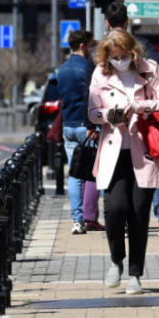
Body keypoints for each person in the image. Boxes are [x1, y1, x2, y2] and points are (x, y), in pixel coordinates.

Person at [88, 30, 159, 295]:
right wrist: (108, 114)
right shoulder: (100, 73)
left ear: (132, 52)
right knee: (114, 209)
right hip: (113, 151)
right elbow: (92, 112)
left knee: (138, 213)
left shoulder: (150, 69)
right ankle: (116, 260)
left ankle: (135, 274)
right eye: (114, 57)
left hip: (143, 149)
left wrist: (140, 107)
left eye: (123, 56)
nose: (119, 60)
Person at [103, 2, 159, 237]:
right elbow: (158, 66)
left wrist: (93, 121)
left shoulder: (100, 50)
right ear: (127, 21)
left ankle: (119, 222)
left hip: (115, 127)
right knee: (151, 167)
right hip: (140, 122)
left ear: (107, 22)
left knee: (114, 174)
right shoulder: (139, 44)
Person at [57, 30, 103, 235]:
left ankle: (77, 220)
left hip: (68, 126)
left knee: (75, 174)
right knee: (94, 173)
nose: (93, 48)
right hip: (86, 127)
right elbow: (92, 97)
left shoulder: (62, 69)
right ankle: (90, 216)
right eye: (92, 45)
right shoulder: (86, 69)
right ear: (83, 45)